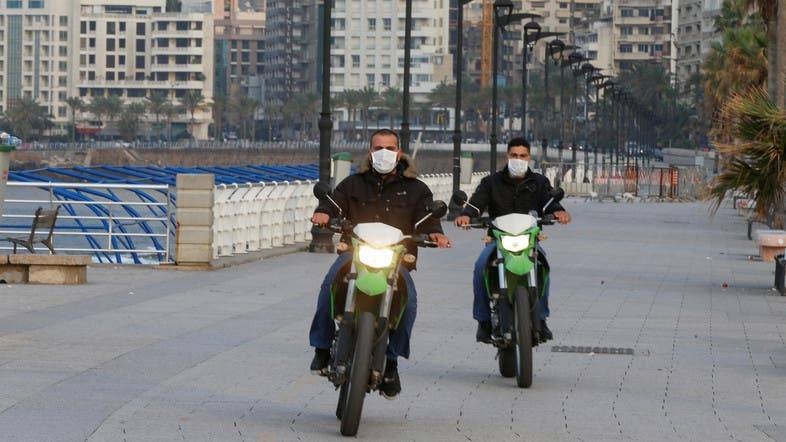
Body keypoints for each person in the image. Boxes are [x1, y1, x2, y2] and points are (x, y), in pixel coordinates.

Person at [309, 128, 451, 399]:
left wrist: (436, 232)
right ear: (370, 152)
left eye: (390, 148)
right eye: (378, 148)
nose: (384, 153)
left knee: (409, 302)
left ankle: (392, 362)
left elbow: (427, 217)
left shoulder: (417, 189)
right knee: (329, 285)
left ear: (399, 153)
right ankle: (322, 348)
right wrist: (323, 213)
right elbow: (334, 204)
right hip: (355, 253)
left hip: (396, 259)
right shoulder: (353, 184)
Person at [455, 137, 571, 343]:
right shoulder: (491, 182)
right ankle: (483, 321)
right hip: (497, 241)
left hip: (529, 241)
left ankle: (542, 318)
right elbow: (476, 204)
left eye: (523, 156)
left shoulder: (539, 182)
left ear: (529, 158)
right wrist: (466, 215)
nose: (518, 159)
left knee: (543, 266)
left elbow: (549, 204)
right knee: (480, 266)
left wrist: (559, 212)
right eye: (514, 155)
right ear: (507, 156)